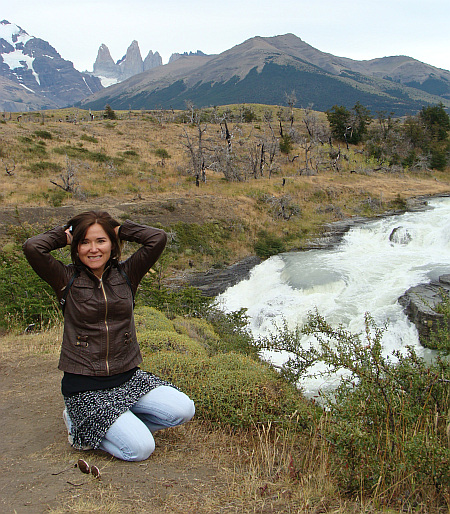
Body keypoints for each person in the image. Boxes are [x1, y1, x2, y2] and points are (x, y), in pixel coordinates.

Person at [23, 210, 195, 461]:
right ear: (76, 247)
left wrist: (118, 230)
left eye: (100, 241)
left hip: (128, 378)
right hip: (85, 386)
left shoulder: (127, 274)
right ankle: (78, 426)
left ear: (112, 245)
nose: (93, 249)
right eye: (85, 242)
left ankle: (118, 422)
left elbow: (157, 238)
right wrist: (67, 235)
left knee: (183, 409)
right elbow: (33, 247)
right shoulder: (65, 278)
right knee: (140, 449)